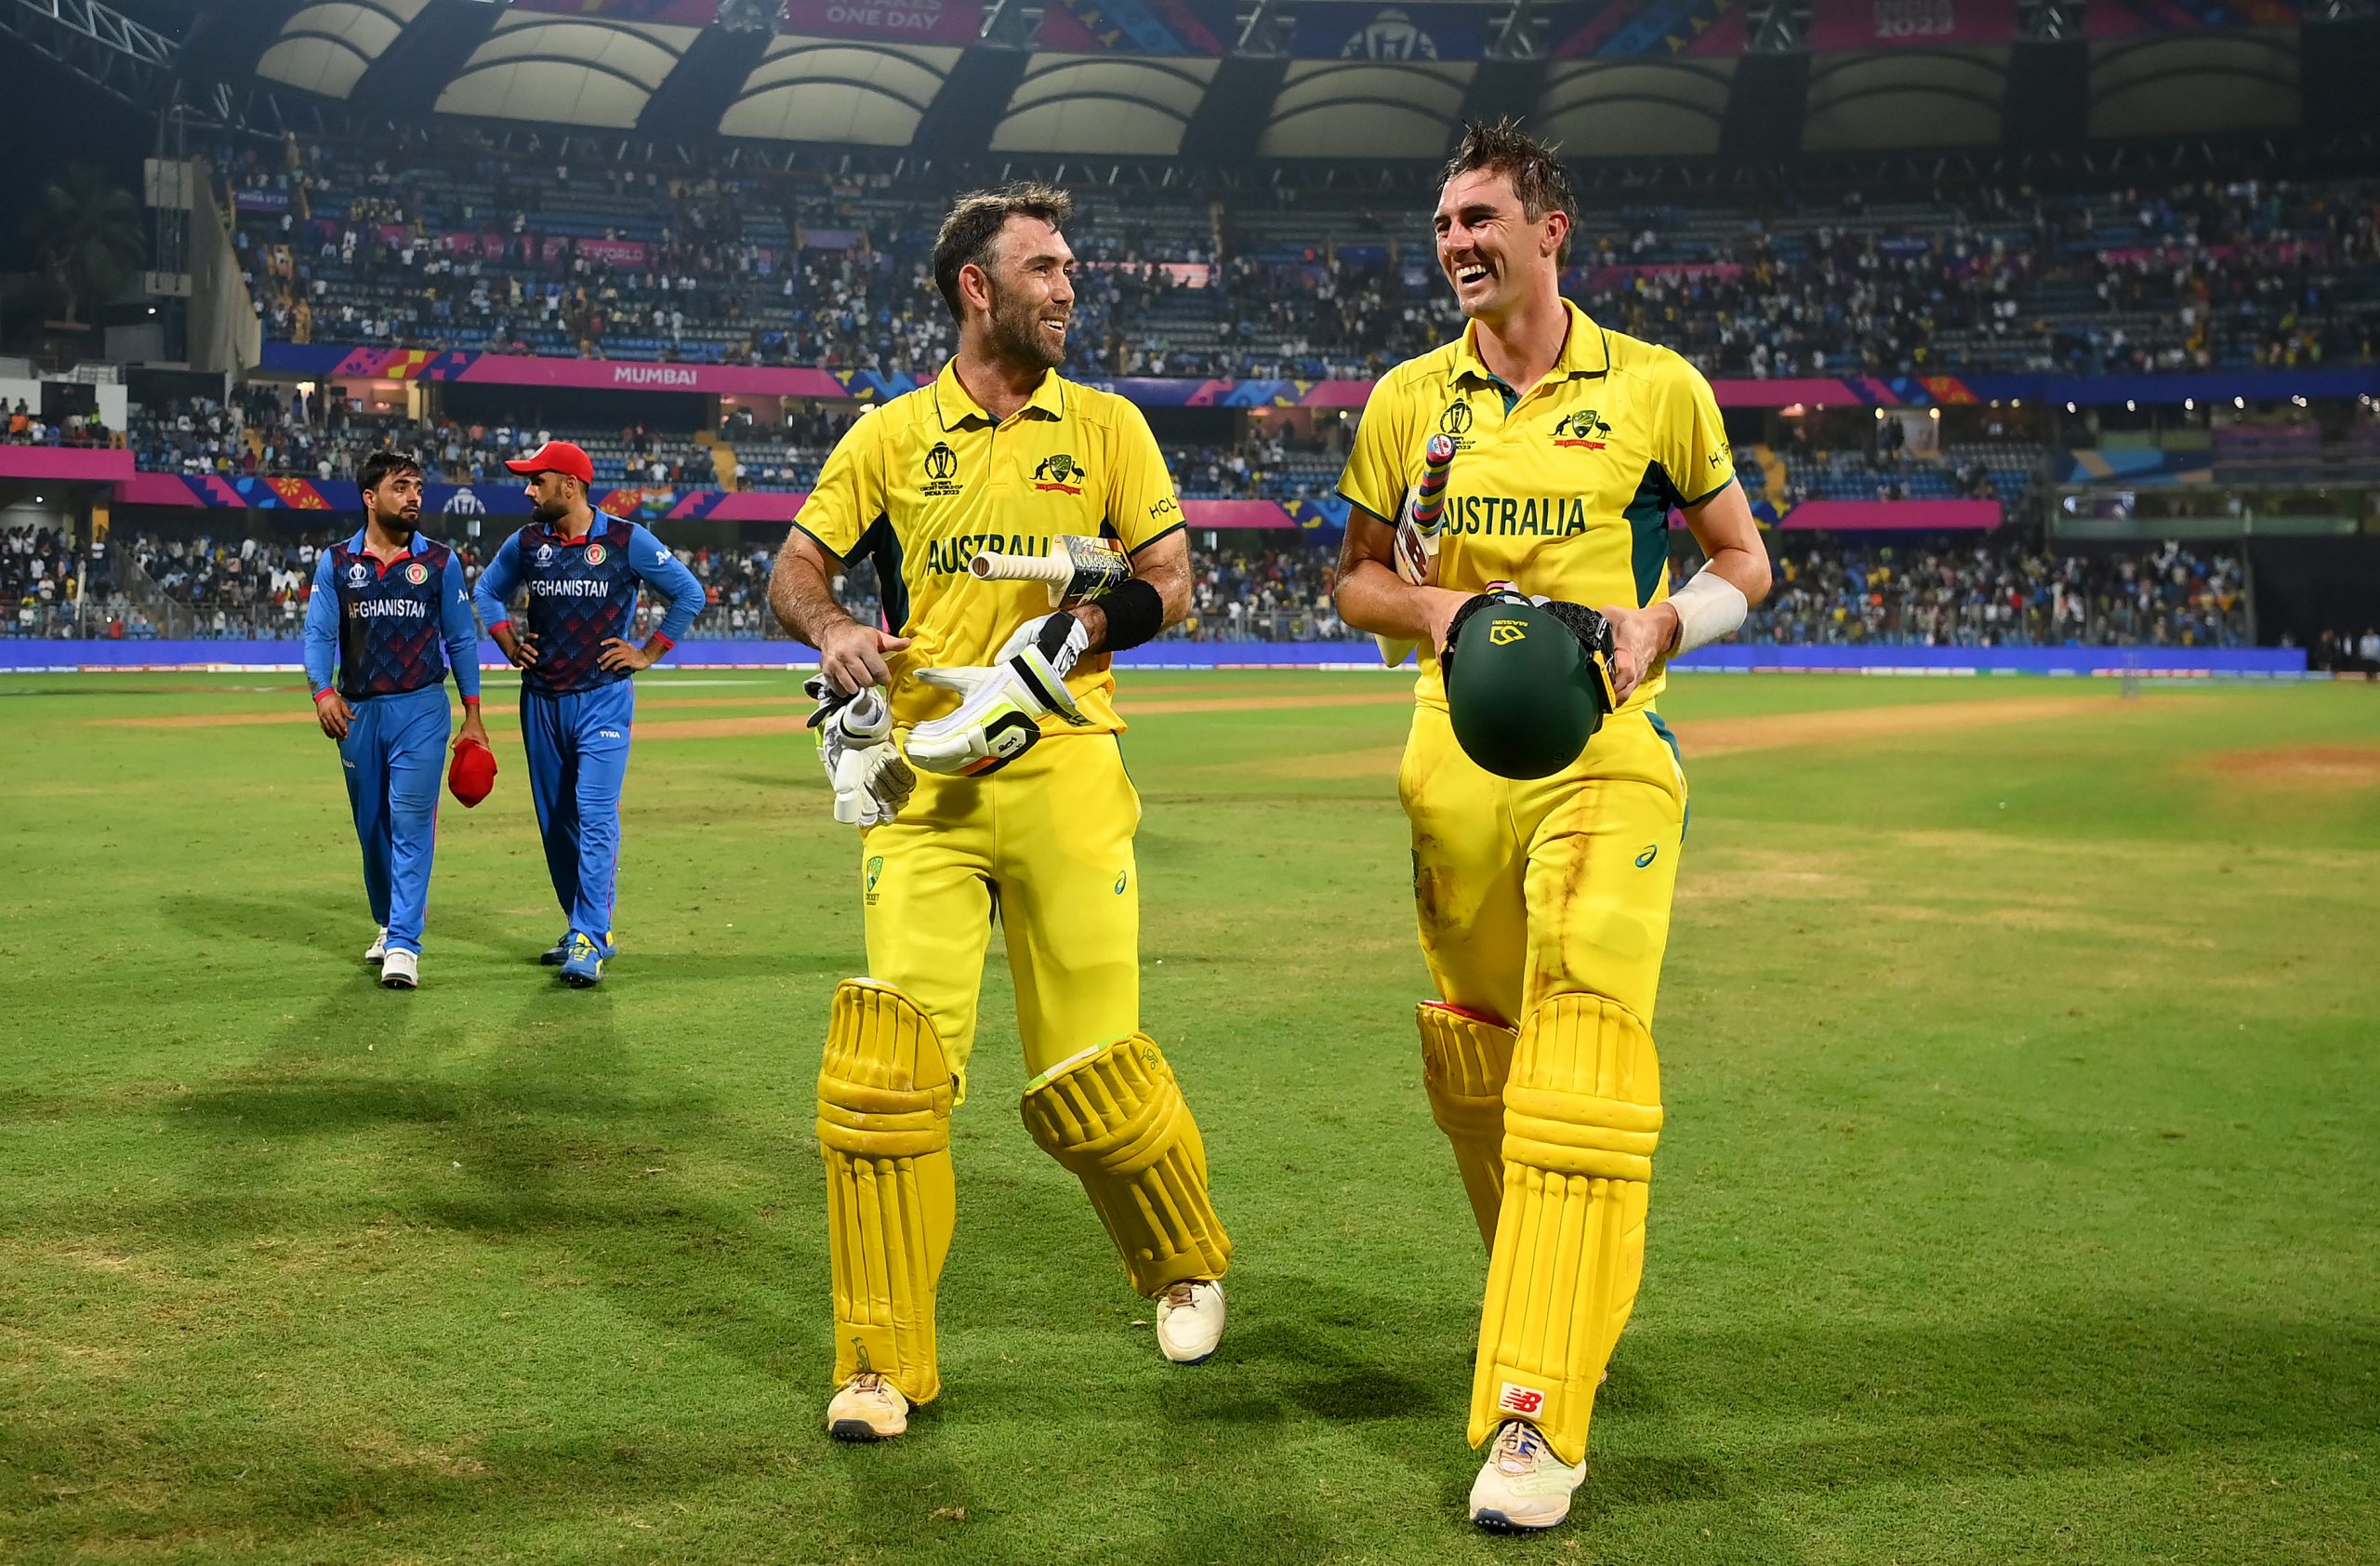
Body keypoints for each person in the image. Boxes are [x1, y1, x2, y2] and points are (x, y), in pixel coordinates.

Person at [1330, 120, 1771, 1533]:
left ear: (1548, 227)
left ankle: (1533, 1418)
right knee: (1482, 1052)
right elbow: (1352, 582)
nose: (1457, 242)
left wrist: (1664, 623)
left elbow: (1743, 560)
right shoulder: (1408, 398)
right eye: (1445, 223)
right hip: (1449, 766)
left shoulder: (1655, 385)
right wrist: (1437, 606)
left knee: (1580, 1034)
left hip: (1608, 747)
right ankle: (1553, 1288)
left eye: (1480, 219)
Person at [766, 182, 1230, 1444]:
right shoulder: (886, 435)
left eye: (1070, 264)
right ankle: (877, 1362)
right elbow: (793, 567)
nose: (1069, 286)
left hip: (1070, 773)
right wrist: (837, 629)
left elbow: (1172, 582)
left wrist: (1077, 629)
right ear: (979, 287)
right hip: (924, 788)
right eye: (1046, 267)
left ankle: (1184, 1261)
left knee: (1094, 1072)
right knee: (888, 1081)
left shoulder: (1113, 427)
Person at [470, 440, 704, 986]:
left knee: (596, 816)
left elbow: (688, 594)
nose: (529, 490)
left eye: (537, 481)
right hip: (541, 701)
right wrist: (506, 641)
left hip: (603, 696)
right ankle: (582, 924)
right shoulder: (528, 543)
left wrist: (647, 653)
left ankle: (590, 937)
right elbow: (486, 592)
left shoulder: (625, 540)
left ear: (569, 486)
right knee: (556, 822)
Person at [302, 451, 488, 989]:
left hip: (422, 710)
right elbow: (318, 635)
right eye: (400, 487)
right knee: (372, 828)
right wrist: (322, 692)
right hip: (358, 715)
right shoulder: (338, 562)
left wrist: (473, 715)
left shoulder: (440, 562)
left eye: (417, 488)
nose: (413, 497)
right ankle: (387, 922)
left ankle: (405, 943)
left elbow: (460, 640)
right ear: (370, 497)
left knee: (410, 823)